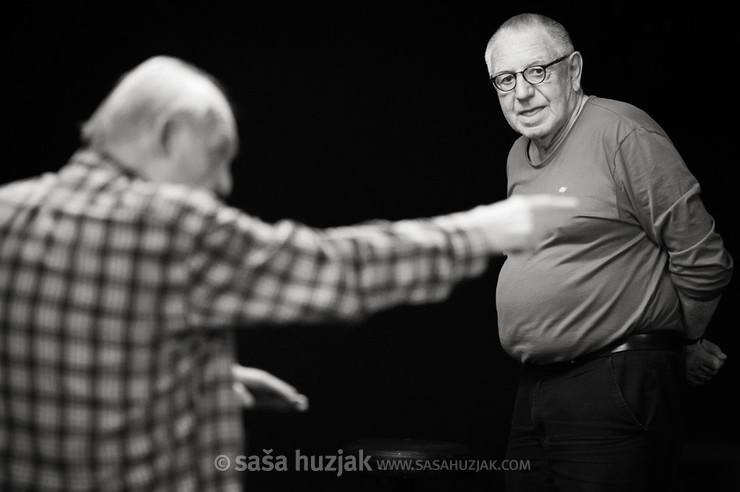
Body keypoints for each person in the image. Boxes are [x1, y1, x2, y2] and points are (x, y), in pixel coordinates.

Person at [0, 56, 577, 491]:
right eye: (219, 153)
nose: (224, 184)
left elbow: (57, 352)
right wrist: (484, 229)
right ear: (169, 133)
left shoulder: (9, 209)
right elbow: (334, 268)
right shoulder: (166, 224)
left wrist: (203, 378)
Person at [484, 13, 734, 492]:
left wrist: (684, 341)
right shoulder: (519, 154)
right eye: (506, 79)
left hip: (611, 381)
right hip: (537, 386)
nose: (522, 92)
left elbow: (703, 256)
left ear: (573, 70)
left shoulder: (623, 133)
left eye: (537, 71)